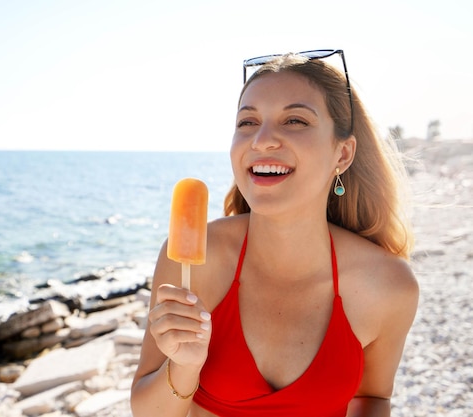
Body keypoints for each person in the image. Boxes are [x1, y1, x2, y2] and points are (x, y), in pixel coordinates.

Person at [130, 50, 419, 417]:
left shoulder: (389, 285)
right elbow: (148, 412)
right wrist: (184, 365)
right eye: (247, 122)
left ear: (342, 154)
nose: (262, 140)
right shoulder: (194, 259)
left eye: (295, 120)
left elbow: (373, 399)